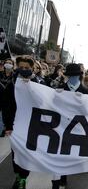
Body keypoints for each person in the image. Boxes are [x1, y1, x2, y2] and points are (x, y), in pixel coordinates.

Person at [2, 55, 40, 189]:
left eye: (27, 68)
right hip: (15, 125)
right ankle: (18, 175)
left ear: (32, 68)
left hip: (32, 126)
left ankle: (23, 178)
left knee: (27, 153)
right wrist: (7, 125)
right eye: (21, 67)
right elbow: (6, 106)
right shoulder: (11, 84)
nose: (24, 69)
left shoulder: (38, 84)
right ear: (17, 67)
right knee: (15, 153)